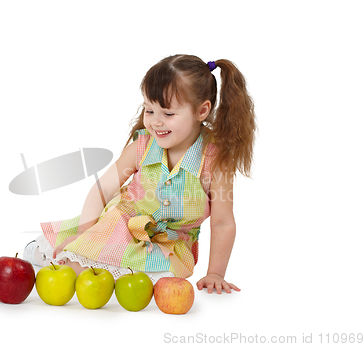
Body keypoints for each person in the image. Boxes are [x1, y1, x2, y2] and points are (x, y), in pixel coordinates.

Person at [24, 54, 256, 294]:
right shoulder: (142, 147)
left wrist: (215, 273)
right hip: (119, 224)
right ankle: (58, 256)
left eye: (167, 114)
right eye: (149, 110)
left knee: (158, 280)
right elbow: (102, 190)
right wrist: (85, 234)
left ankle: (102, 270)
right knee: (67, 260)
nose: (156, 122)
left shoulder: (214, 162)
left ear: (202, 110)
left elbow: (222, 223)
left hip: (168, 245)